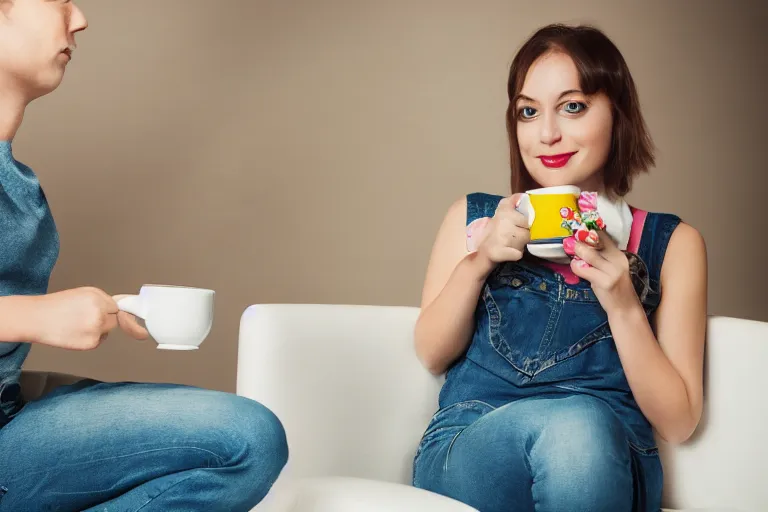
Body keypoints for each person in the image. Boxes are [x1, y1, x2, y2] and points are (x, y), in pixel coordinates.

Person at [0, 1, 287, 510]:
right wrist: (33, 316)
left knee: (243, 434)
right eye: (59, 0)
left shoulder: (16, 179)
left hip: (10, 412)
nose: (79, 19)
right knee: (244, 438)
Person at [411, 23, 707, 512]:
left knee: (582, 426)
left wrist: (624, 304)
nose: (547, 134)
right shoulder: (473, 217)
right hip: (474, 444)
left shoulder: (672, 244)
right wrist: (479, 260)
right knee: (575, 425)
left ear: (618, 113)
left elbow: (678, 422)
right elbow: (430, 352)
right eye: (529, 112)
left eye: (573, 107)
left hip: (608, 461)